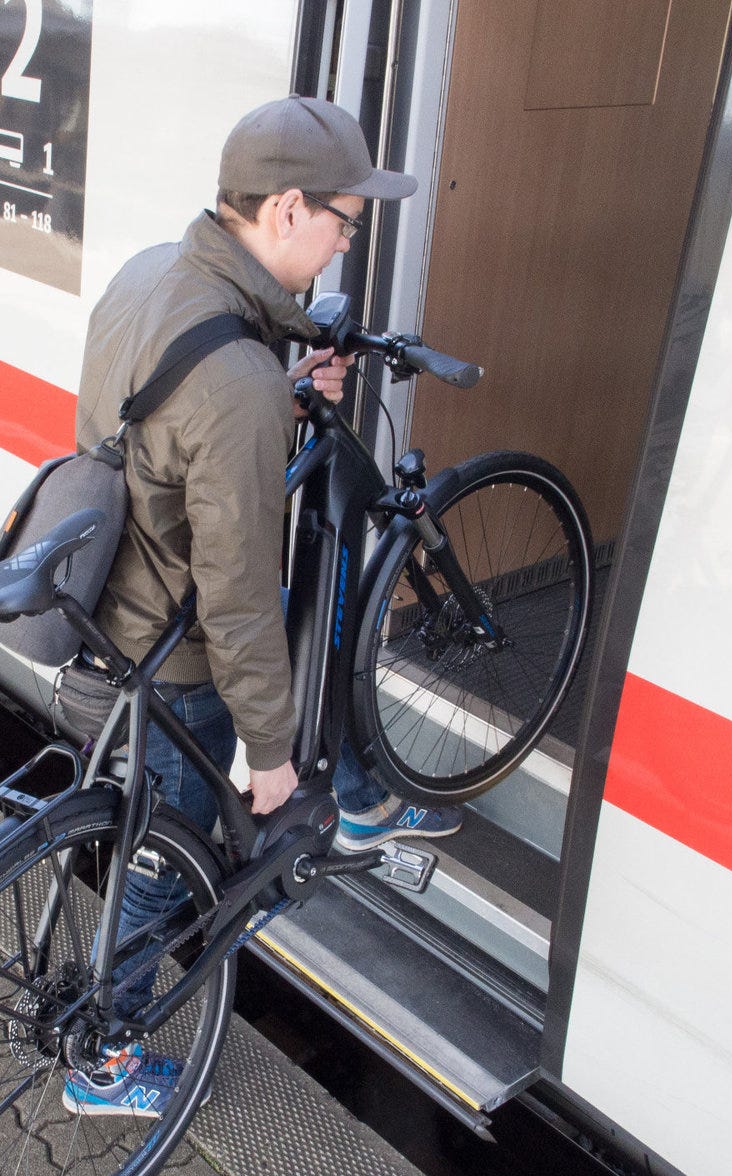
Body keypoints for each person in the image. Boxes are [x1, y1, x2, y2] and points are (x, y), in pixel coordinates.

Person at [62, 97, 460, 1117]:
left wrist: (273, 395)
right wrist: (273, 759)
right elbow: (237, 604)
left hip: (109, 594)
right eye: (342, 223)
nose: (341, 246)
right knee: (163, 858)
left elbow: (156, 416)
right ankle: (101, 1059)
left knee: (146, 831)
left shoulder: (156, 270)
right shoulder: (236, 382)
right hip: (173, 648)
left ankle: (358, 799)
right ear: (287, 210)